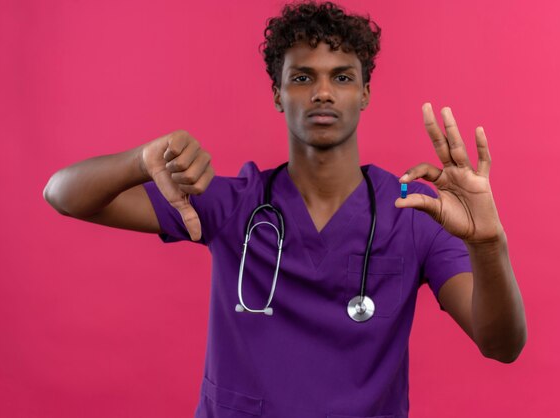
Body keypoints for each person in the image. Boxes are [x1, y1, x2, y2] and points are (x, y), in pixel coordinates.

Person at [44, 2, 526, 417]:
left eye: (341, 77)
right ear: (277, 94)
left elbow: (501, 345)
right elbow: (62, 194)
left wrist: (488, 244)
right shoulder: (232, 203)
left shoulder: (414, 213)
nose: (322, 92)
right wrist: (138, 160)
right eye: (301, 77)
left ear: (365, 94)